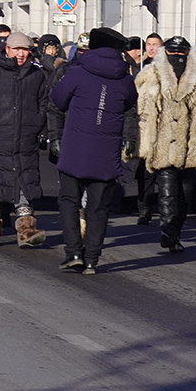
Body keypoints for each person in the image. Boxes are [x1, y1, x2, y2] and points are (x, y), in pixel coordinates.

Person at [51, 27, 138, 274]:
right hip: (106, 153)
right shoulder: (125, 78)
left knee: (69, 201)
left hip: (75, 150)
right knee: (98, 208)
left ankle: (74, 253)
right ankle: (91, 259)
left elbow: (57, 100)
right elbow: (130, 105)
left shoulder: (77, 73)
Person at [135, 35, 196, 254]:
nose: (177, 57)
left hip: (190, 144)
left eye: (181, 53)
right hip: (163, 144)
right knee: (167, 191)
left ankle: (175, 230)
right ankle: (167, 229)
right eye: (172, 52)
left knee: (185, 194)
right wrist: (141, 139)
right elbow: (142, 108)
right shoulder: (151, 74)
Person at [0, 32, 48, 248]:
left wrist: (37, 124)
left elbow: (44, 102)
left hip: (25, 140)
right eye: (16, 49)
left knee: (24, 182)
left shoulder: (36, 74)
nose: (21, 54)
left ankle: (25, 230)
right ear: (7, 49)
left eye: (25, 50)